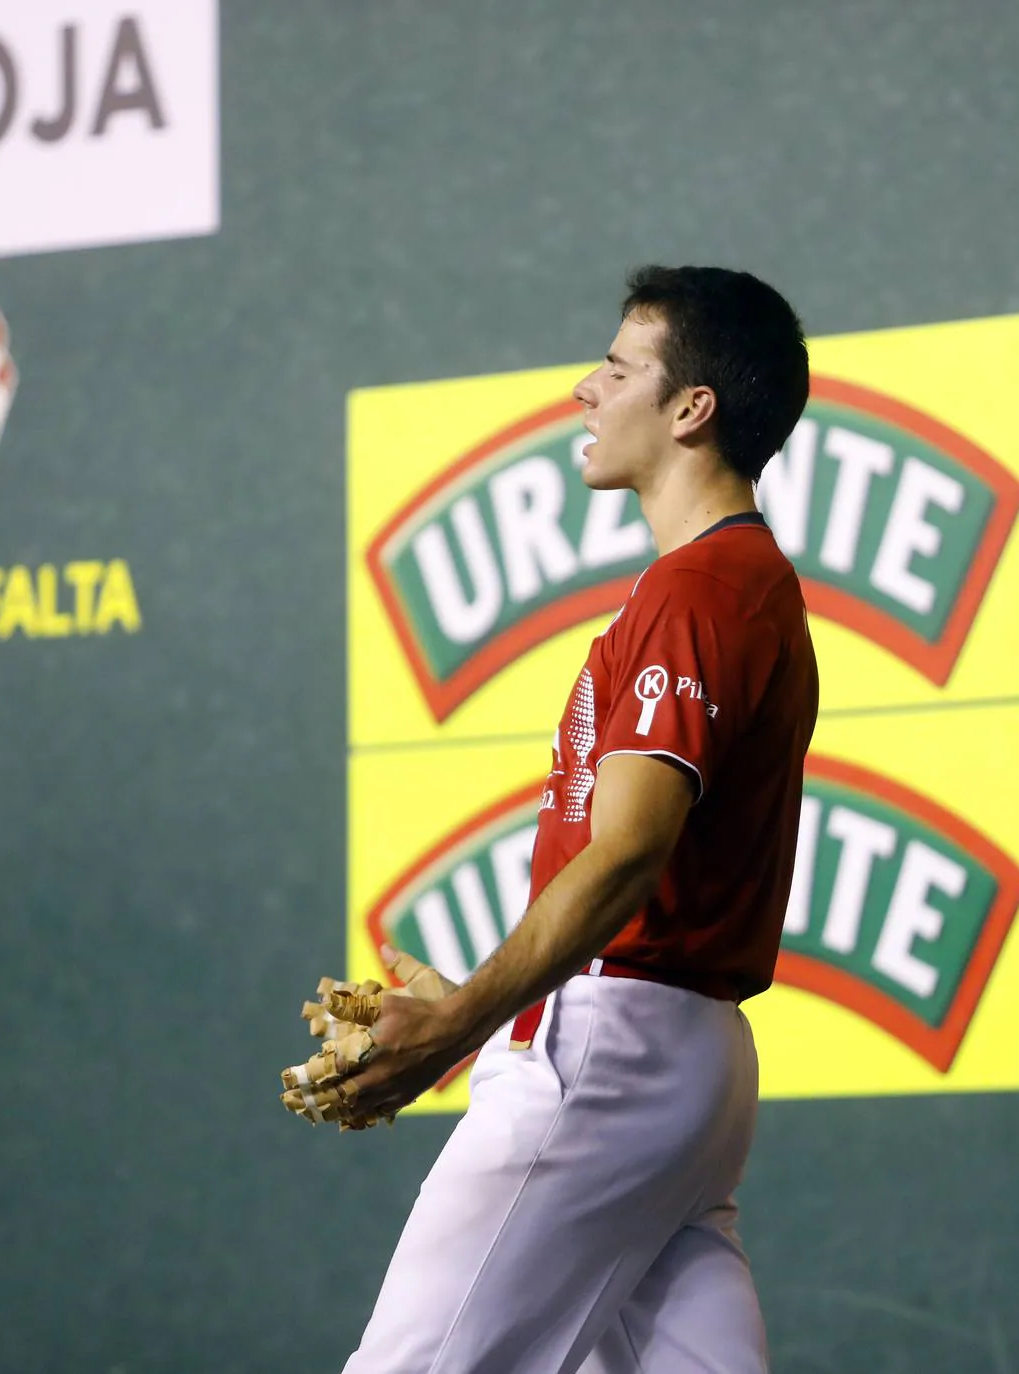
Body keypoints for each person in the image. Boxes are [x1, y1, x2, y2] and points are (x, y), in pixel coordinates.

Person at [334, 265, 818, 1373]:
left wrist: (458, 1026)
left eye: (616, 367)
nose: (582, 392)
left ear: (691, 408)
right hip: (696, 1075)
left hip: (612, 1054)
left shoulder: (698, 591)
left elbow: (629, 855)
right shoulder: (741, 586)